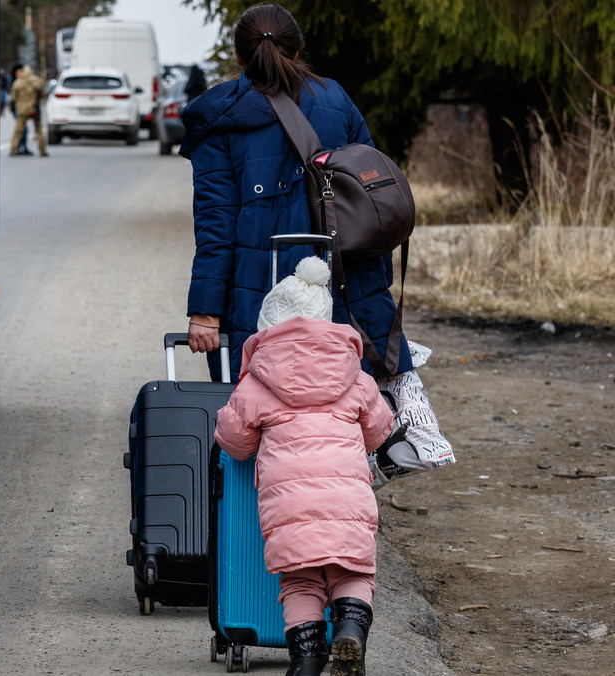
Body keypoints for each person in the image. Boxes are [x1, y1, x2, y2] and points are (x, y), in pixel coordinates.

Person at [179, 3, 413, 384]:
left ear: (239, 56)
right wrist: (375, 284)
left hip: (257, 295)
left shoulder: (219, 121)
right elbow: (374, 201)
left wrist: (204, 311)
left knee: (264, 405)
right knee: (350, 406)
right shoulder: (336, 99)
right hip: (343, 283)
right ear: (298, 51)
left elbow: (216, 224)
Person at [214, 256, 393, 676]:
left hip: (289, 505)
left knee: (300, 582)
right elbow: (380, 429)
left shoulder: (258, 382)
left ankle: (306, 661)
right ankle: (349, 629)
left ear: (269, 327)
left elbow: (235, 442)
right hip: (347, 498)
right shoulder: (355, 376)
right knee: (353, 570)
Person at [10, 65, 47, 157]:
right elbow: (43, 94)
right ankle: (42, 150)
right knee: (39, 130)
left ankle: (13, 149)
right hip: (34, 109)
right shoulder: (36, 81)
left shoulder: (18, 83)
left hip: (22, 110)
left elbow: (13, 97)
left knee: (18, 131)